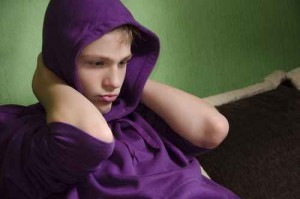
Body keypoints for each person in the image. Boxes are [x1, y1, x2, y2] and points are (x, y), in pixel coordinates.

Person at [0, 0, 240, 198]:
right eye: (97, 63)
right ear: (59, 61)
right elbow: (91, 140)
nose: (114, 81)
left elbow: (213, 128)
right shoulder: (29, 133)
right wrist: (46, 81)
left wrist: (135, 81)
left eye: (123, 63)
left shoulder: (134, 115)